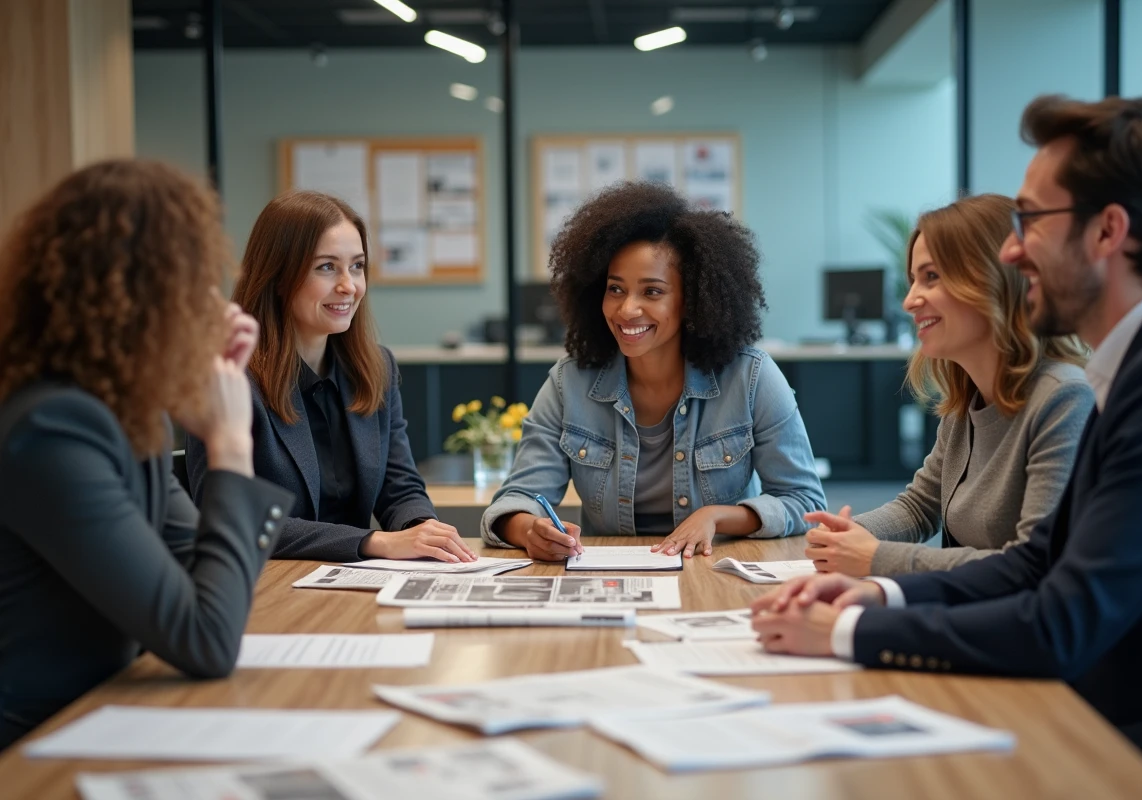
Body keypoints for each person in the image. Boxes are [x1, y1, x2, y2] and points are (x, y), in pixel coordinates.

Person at [750, 95, 1142, 795]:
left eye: (1030, 222)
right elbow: (1037, 561)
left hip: (1135, 744)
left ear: (1110, 231)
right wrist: (879, 594)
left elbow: (1060, 619)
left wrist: (848, 633)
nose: (1013, 251)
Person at [0, 160, 295, 749]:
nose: (215, 305)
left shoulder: (122, 414)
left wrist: (190, 383)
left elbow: (201, 580)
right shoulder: (53, 427)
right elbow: (207, 639)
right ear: (142, 300)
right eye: (194, 285)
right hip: (38, 750)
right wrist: (231, 444)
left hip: (104, 716)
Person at [481, 182, 826, 560]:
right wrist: (530, 528)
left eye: (652, 292)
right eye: (615, 289)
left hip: (716, 571)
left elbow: (804, 502)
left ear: (693, 299)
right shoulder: (569, 383)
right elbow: (514, 502)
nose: (627, 310)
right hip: (610, 578)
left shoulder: (751, 377)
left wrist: (718, 517)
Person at [804, 194, 1092, 577]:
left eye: (931, 277)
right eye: (912, 280)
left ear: (993, 278)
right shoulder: (968, 401)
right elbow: (920, 506)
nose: (909, 301)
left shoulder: (1064, 399)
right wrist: (851, 533)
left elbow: (1035, 566)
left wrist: (876, 558)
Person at [187, 191, 473, 564]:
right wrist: (373, 542)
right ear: (278, 276)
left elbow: (399, 487)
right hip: (267, 589)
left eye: (357, 266)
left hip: (351, 586)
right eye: (326, 267)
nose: (349, 285)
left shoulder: (376, 368)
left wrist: (421, 530)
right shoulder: (230, 378)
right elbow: (233, 518)